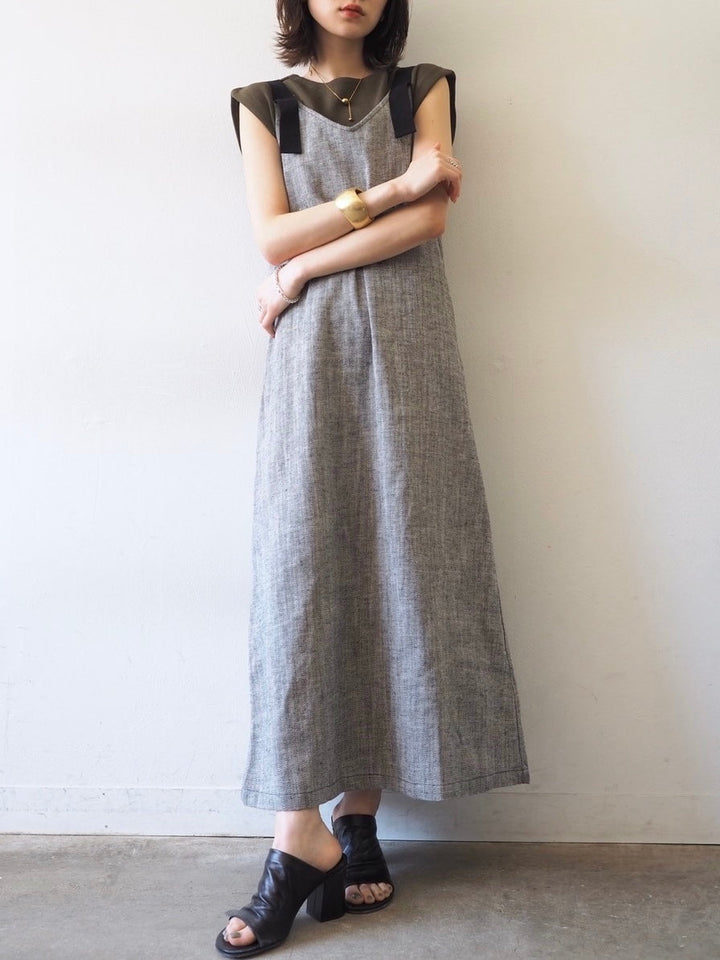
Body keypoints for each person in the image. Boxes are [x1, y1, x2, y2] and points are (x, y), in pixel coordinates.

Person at [219, 1, 530, 955]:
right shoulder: (263, 102)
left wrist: (302, 274)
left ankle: (356, 816)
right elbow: (274, 236)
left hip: (410, 345)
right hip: (312, 360)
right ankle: (301, 831)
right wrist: (388, 190)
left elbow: (430, 220)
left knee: (407, 556)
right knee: (307, 568)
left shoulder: (421, 88)